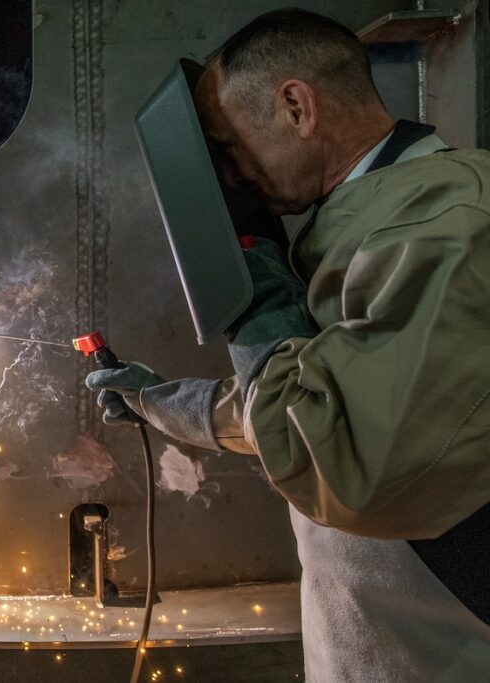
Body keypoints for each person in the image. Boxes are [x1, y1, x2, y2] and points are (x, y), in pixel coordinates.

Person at [87, 9, 490, 680]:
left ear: (297, 106)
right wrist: (157, 401)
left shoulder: (446, 226)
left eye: (231, 147)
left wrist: (259, 307)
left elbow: (342, 458)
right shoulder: (368, 219)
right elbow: (314, 397)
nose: (235, 177)